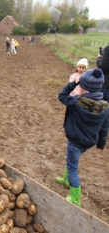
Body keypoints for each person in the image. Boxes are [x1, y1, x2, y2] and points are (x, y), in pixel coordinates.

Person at [57, 68, 109, 207]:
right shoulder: (105, 106)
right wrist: (101, 144)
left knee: (73, 168)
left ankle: (75, 199)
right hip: (89, 142)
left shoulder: (77, 102)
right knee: (71, 161)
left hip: (75, 141)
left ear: (84, 88)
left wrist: (74, 83)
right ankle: (65, 179)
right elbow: (105, 126)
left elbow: (61, 96)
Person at [56, 58, 88, 188]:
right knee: (71, 155)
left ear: (86, 69)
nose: (81, 69)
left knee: (72, 157)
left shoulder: (86, 79)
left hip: (79, 103)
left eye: (83, 67)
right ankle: (65, 178)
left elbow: (62, 95)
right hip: (73, 100)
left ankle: (75, 196)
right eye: (79, 67)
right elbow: (68, 90)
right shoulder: (73, 76)